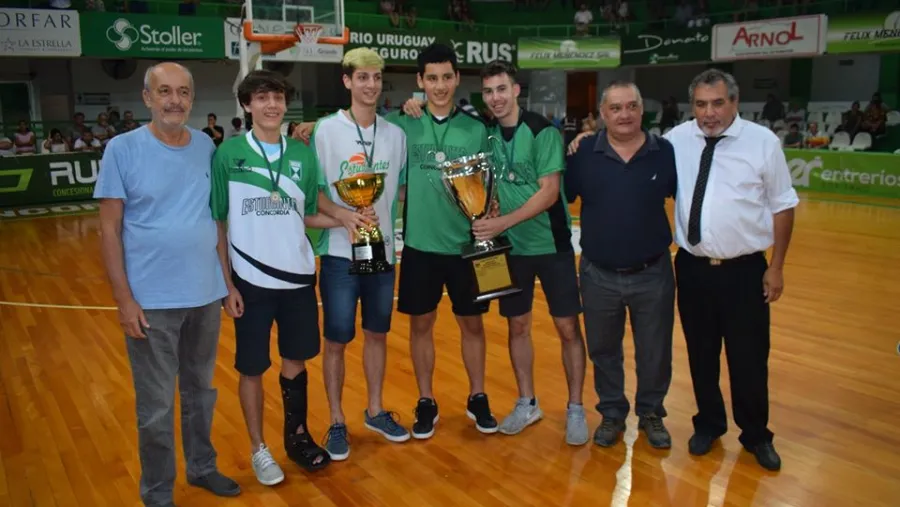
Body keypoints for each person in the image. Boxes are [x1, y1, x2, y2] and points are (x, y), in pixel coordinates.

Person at [94, 62, 240, 507]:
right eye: (164, 92)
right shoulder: (122, 149)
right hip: (152, 302)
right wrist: (124, 299)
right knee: (155, 407)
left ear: (192, 100)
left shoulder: (205, 146)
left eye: (182, 92)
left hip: (204, 294)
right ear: (147, 98)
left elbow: (216, 219)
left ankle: (201, 468)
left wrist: (226, 282)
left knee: (202, 392)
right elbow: (108, 230)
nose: (174, 100)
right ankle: (157, 493)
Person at [665, 69, 797, 471]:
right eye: (701, 104)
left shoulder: (763, 143)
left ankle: (756, 434)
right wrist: (587, 137)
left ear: (735, 102)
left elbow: (783, 205)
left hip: (744, 273)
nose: (709, 113)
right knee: (701, 354)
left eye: (718, 103)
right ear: (693, 106)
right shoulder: (675, 140)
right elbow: (632, 152)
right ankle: (708, 423)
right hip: (692, 269)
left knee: (749, 358)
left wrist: (776, 267)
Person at [211, 69, 332, 486]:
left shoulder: (302, 154)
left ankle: (296, 437)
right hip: (250, 283)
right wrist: (226, 284)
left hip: (298, 278)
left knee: (295, 360)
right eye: (261, 97)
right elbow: (219, 223)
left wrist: (349, 217)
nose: (271, 105)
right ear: (247, 105)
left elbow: (309, 211)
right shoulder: (228, 154)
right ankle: (259, 449)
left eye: (277, 97)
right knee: (251, 368)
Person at [471, 60, 588, 444]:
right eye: (488, 91)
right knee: (517, 325)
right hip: (510, 251)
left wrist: (502, 221)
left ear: (516, 90)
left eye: (501, 89)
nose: (495, 98)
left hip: (551, 246)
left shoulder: (542, 130)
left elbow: (549, 191)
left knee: (567, 327)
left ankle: (575, 407)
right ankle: (527, 402)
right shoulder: (486, 133)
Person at [386, 43, 499, 439]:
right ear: (420, 81)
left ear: (456, 79)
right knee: (421, 325)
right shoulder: (402, 125)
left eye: (446, 77)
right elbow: (361, 130)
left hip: (466, 247)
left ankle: (478, 395)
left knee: (473, 325)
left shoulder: (476, 129)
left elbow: (489, 189)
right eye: (431, 78)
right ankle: (426, 399)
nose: (439, 85)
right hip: (418, 247)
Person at [310, 48, 411, 460]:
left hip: (381, 251)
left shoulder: (396, 135)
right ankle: (336, 420)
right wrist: (344, 215)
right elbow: (313, 193)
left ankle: (374, 409)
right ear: (347, 81)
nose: (371, 85)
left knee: (376, 334)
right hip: (338, 254)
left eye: (376, 78)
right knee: (335, 340)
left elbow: (401, 190)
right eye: (363, 78)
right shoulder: (323, 131)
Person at [565, 80, 677, 449]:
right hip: (598, 275)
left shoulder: (665, 153)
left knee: (655, 350)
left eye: (631, 106)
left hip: (653, 273)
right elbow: (563, 196)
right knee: (603, 350)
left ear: (641, 110)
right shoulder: (582, 155)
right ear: (602, 114)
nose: (624, 114)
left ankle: (651, 413)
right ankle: (612, 413)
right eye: (615, 108)